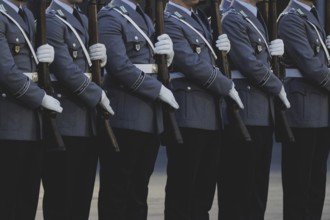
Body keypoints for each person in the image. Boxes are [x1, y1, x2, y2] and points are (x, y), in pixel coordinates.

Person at [97, 0, 178, 219]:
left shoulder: (141, 15)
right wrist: (158, 90)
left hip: (148, 118)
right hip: (124, 116)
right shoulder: (109, 16)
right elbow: (120, 67)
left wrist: (168, 60)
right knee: (117, 194)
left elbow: (150, 63)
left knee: (138, 193)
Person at [163, 0, 244, 219]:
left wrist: (222, 52)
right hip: (189, 114)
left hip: (211, 114)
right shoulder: (169, 20)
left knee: (203, 195)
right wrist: (226, 86)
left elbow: (208, 60)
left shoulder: (198, 17)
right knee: (183, 193)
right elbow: (191, 63)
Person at [217, 0, 291, 220]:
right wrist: (278, 86)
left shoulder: (257, 17)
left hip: (261, 113)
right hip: (244, 113)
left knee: (257, 192)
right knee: (239, 191)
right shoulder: (233, 18)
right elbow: (249, 64)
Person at [41, 0, 114, 219]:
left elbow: (87, 68)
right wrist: (97, 95)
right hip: (65, 123)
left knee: (81, 201)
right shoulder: (51, 21)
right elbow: (65, 69)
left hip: (87, 124)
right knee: (61, 201)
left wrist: (102, 64)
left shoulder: (82, 18)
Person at [0, 0, 62, 219]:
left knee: (27, 201)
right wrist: (41, 98)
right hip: (8, 122)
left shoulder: (26, 15)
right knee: (6, 201)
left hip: (33, 124)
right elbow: (6, 72)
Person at [278, 1, 330, 219]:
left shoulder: (310, 15)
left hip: (319, 110)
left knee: (315, 185)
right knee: (299, 185)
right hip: (302, 111)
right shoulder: (291, 18)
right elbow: (311, 66)